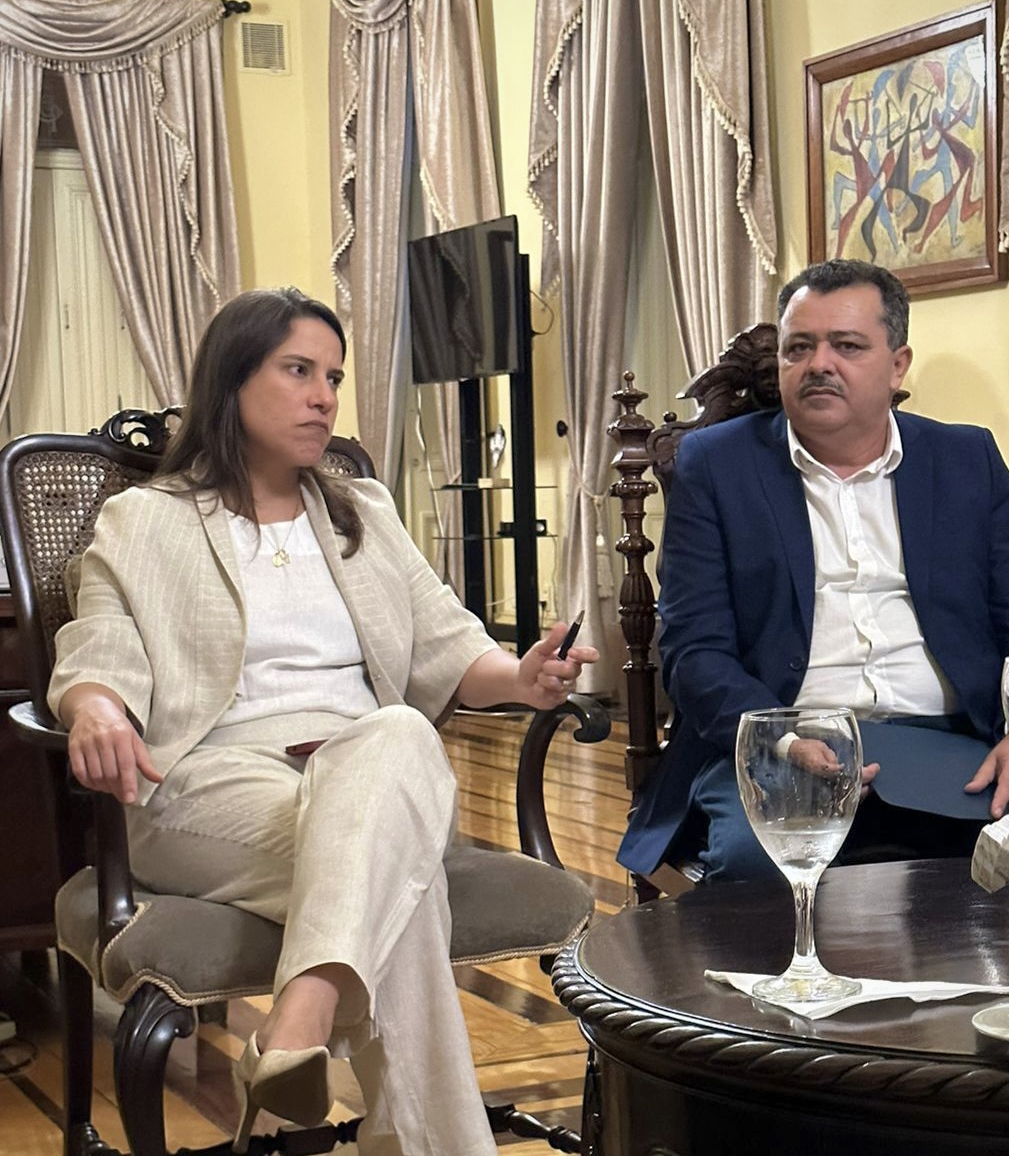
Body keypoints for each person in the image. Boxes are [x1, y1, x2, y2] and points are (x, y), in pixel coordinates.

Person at [48, 287, 597, 1155]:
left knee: (396, 735)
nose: (324, 398)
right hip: (208, 782)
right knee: (399, 876)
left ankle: (297, 1018)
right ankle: (331, 1049)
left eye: (333, 378)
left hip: (370, 770)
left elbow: (450, 644)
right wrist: (95, 709)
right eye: (298, 371)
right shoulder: (143, 521)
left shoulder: (363, 513)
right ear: (232, 381)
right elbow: (97, 649)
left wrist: (523, 678)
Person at [617, 258, 1009, 884]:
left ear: (898, 365)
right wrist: (784, 739)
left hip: (956, 744)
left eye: (846, 346)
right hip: (781, 743)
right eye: (799, 347)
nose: (819, 364)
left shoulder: (965, 459)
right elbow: (694, 652)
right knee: (759, 870)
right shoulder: (716, 466)